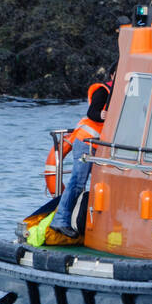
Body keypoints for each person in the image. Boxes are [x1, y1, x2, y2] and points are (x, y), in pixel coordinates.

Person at [48, 76, 114, 238]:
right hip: (85, 141)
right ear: (113, 75)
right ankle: (60, 220)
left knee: (91, 183)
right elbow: (92, 112)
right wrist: (102, 115)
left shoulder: (121, 92)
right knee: (77, 182)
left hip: (97, 145)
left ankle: (80, 220)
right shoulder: (103, 90)